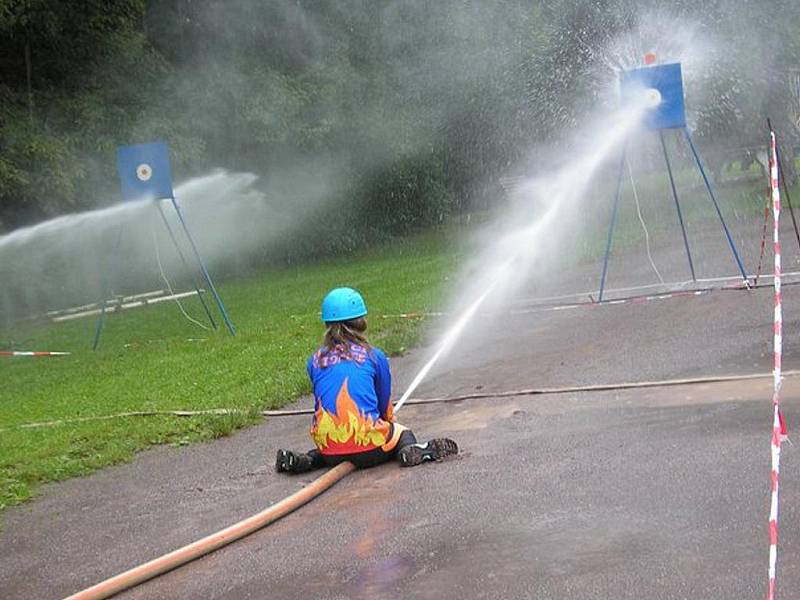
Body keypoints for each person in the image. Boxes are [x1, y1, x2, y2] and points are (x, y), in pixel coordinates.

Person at [276, 287, 458, 473]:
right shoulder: (373, 356)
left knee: (335, 443)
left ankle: (307, 460)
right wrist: (388, 422)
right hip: (370, 449)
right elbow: (382, 399)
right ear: (361, 322)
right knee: (402, 432)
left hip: (329, 449)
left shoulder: (314, 361)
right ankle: (409, 450)